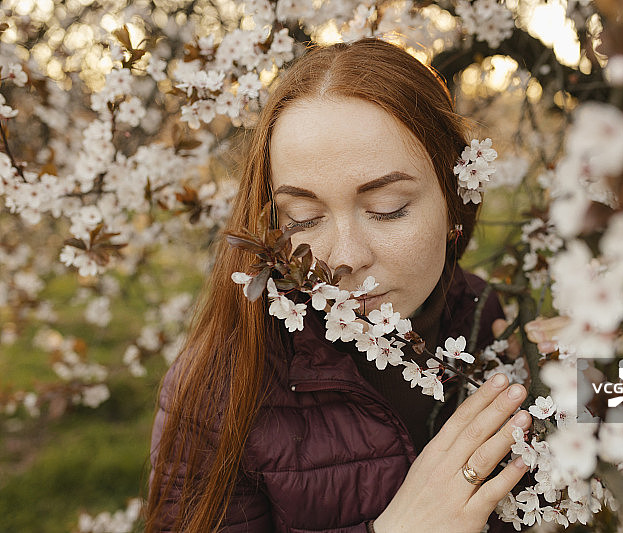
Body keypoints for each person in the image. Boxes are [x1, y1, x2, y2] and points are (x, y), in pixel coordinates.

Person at [146, 37, 532, 532]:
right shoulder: (217, 391)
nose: (346, 256)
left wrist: (603, 370)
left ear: (455, 197)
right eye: (304, 218)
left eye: (388, 208)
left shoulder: (487, 315)